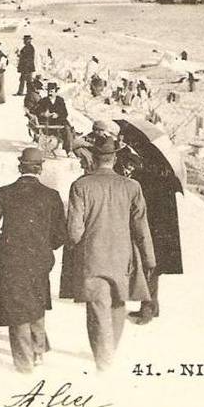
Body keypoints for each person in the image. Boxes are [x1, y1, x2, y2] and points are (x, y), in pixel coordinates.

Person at [60, 136, 155, 372]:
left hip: (93, 256)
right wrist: (149, 257)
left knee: (97, 307)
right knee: (118, 304)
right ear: (114, 158)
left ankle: (103, 360)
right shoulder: (132, 187)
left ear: (94, 157)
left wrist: (76, 246)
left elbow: (74, 230)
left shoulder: (81, 186)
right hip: (123, 257)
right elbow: (141, 228)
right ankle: (110, 350)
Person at [0, 148, 66, 373]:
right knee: (36, 301)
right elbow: (61, 234)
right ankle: (38, 351)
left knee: (17, 308)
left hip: (12, 260)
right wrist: (46, 247)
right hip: (40, 260)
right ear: (40, 169)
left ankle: (24, 365)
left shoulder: (4, 193)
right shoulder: (51, 196)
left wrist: (1, 245)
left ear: (20, 167)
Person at [127, 158, 182, 325]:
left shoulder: (147, 176)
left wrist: (135, 174)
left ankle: (147, 310)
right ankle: (153, 305)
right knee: (155, 267)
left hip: (153, 228)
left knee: (149, 266)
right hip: (165, 229)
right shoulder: (167, 175)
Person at [34, 82, 74, 154]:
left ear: (56, 92)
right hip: (47, 121)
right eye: (48, 91)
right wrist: (43, 114)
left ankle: (69, 150)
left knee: (67, 129)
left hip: (59, 121)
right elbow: (36, 111)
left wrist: (57, 115)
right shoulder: (44, 100)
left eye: (52, 91)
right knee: (46, 133)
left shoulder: (60, 100)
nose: (50, 93)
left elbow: (65, 113)